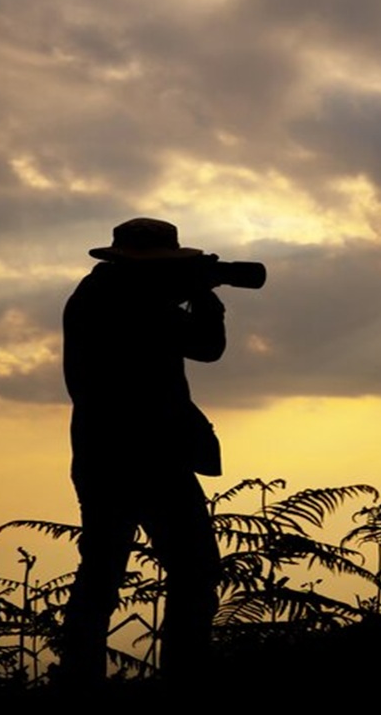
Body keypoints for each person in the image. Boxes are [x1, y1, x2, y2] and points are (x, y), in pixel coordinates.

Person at [59, 217, 225, 687]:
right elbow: (207, 346)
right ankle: (183, 677)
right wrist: (202, 294)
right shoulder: (129, 301)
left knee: (102, 573)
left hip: (106, 454)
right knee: (192, 571)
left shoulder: (98, 294)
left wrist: (189, 292)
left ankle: (78, 679)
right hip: (149, 457)